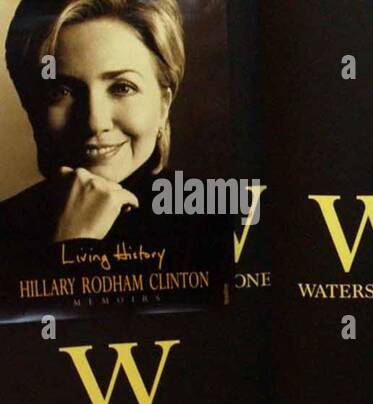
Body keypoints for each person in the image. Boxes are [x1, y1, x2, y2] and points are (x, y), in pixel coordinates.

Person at [0, 0, 230, 320]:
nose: (94, 122)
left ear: (164, 102)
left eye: (122, 87)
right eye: (61, 91)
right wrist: (72, 244)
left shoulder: (221, 217)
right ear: (31, 107)